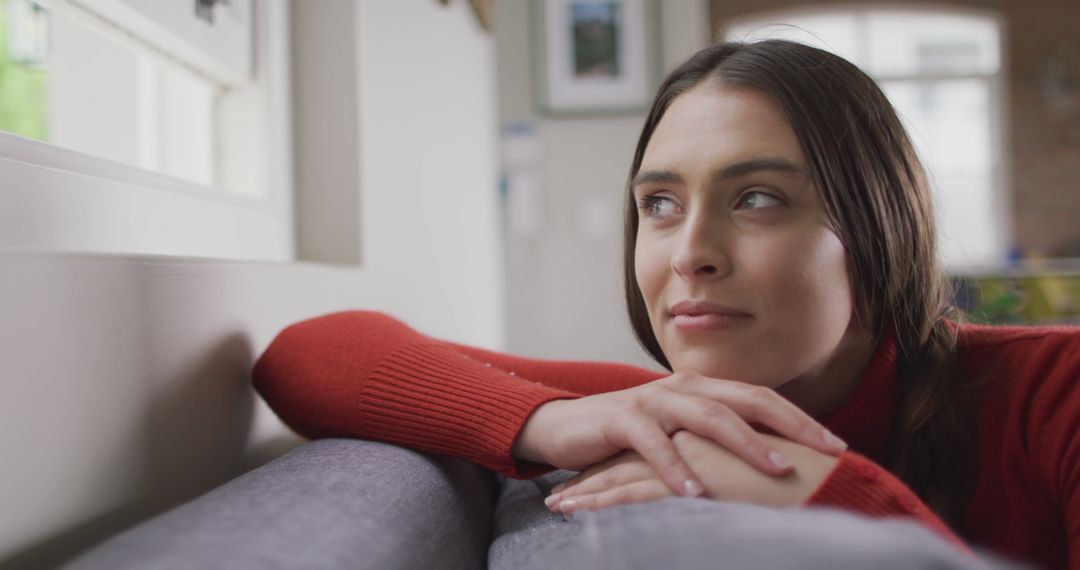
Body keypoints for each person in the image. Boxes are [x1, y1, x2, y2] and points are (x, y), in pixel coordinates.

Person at [253, 40, 1079, 569]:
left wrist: (829, 493)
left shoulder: (1058, 392)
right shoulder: (668, 411)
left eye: (757, 199)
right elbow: (307, 354)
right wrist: (547, 424)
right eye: (659, 204)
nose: (690, 253)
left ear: (876, 229)